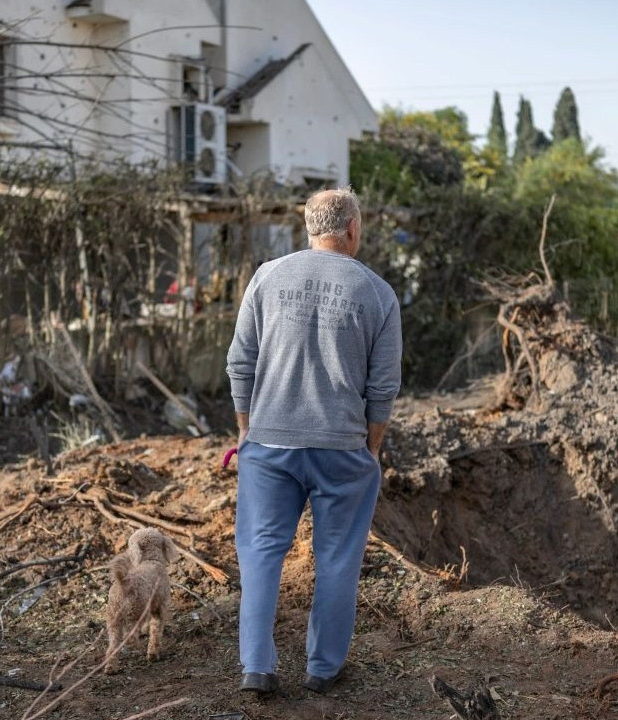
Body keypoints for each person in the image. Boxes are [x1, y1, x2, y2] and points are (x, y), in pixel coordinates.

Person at [226, 188, 402, 697]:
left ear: (309, 228)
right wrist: (371, 447)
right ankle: (322, 670)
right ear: (351, 229)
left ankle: (257, 667)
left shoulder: (266, 276)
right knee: (338, 558)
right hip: (342, 448)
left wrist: (245, 429)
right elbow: (382, 386)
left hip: (269, 443)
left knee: (259, 553)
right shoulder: (377, 293)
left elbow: (241, 361)